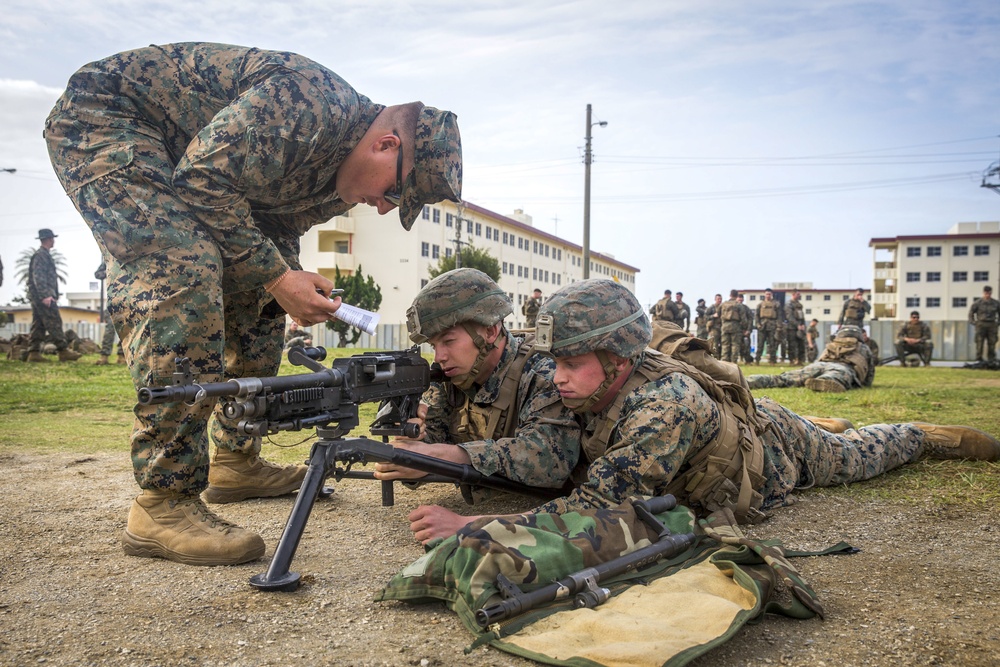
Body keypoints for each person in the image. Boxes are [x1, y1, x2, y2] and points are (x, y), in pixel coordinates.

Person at [45, 42, 463, 566]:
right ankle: (162, 502)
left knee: (263, 289)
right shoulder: (308, 106)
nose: (382, 208)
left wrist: (287, 283)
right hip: (109, 120)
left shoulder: (339, 180)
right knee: (183, 266)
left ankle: (235, 460)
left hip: (188, 159)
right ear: (384, 144)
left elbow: (276, 235)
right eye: (394, 195)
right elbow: (200, 181)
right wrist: (276, 276)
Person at [402, 279, 999, 544]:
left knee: (856, 455)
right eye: (554, 361)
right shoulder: (578, 386)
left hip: (769, 450)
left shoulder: (664, 406)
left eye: (572, 362)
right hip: (710, 435)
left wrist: (473, 526)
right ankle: (823, 419)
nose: (556, 376)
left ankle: (919, 436)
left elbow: (596, 510)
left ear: (615, 359)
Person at [373, 269, 580, 494]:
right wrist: (413, 443)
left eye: (449, 341)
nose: (439, 357)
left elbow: (549, 458)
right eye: (434, 346)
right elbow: (435, 438)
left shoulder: (542, 371)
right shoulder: (449, 376)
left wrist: (448, 456)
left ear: (490, 331)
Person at [746, 326, 874, 393]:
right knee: (835, 376)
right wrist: (866, 384)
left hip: (818, 366)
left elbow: (821, 358)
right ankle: (825, 381)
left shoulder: (833, 343)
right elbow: (870, 370)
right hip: (842, 367)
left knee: (785, 378)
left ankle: (754, 380)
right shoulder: (863, 347)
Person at [25, 229, 81, 363]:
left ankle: (33, 353)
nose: (53, 241)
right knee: (54, 321)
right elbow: (38, 276)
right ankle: (63, 351)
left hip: (39, 295)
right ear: (48, 239)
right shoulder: (40, 255)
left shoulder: (44, 255)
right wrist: (45, 295)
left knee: (38, 324)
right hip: (42, 296)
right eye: (52, 238)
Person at [93, 262, 125, 365]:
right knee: (110, 329)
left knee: (125, 329)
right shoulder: (109, 259)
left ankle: (122, 356)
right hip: (113, 299)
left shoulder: (129, 256)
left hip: (127, 299)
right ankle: (104, 356)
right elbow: (98, 274)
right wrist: (110, 272)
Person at [969, 286, 999, 364]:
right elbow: (971, 313)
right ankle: (979, 359)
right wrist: (973, 322)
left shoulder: (995, 303)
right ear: (983, 293)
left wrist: (997, 323)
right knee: (979, 342)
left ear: (991, 293)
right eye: (986, 293)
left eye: (989, 293)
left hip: (992, 324)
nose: (987, 295)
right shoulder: (978, 303)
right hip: (981, 324)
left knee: (992, 342)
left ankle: (991, 359)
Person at [755, 288, 783, 364]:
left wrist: (779, 326)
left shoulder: (776, 304)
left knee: (772, 344)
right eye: (767, 294)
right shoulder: (760, 304)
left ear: (772, 295)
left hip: (772, 325)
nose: (768, 296)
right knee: (760, 344)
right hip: (762, 325)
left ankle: (772, 360)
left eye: (769, 294)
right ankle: (757, 360)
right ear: (764, 295)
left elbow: (779, 315)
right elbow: (756, 315)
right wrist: (758, 324)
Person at [719, 290, 743, 363]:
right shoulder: (738, 305)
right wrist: (744, 327)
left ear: (730, 295)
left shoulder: (723, 304)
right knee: (735, 344)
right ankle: (733, 361)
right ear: (736, 296)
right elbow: (743, 318)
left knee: (725, 344)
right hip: (735, 326)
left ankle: (725, 361)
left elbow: (718, 313)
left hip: (725, 325)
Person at [785, 290, 806, 365]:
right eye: (798, 294)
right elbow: (789, 316)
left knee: (801, 344)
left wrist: (803, 324)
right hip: (791, 328)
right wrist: (797, 325)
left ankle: (800, 360)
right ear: (793, 294)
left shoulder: (799, 305)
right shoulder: (789, 304)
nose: (799, 296)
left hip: (800, 327)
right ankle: (792, 360)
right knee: (792, 345)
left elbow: (802, 316)